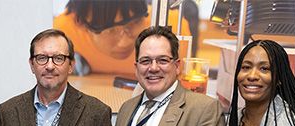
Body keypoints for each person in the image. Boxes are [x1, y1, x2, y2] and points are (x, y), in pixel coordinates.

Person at [53, 1, 200, 76]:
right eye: (110, 30)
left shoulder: (170, 27)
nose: (125, 42)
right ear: (81, 24)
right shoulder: (63, 33)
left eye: (135, 23)